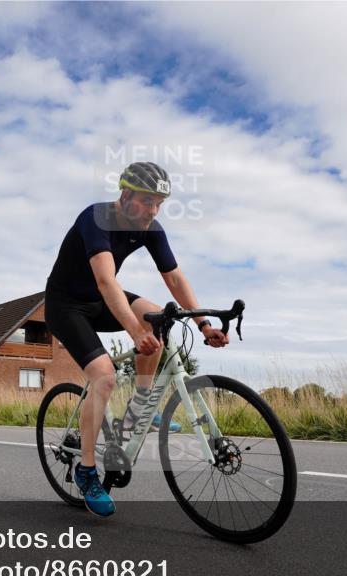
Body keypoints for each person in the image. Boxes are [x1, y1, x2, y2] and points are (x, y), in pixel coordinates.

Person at [44, 161, 229, 518]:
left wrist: (205, 326)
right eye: (147, 201)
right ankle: (85, 472)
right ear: (125, 195)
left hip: (100, 302)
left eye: (159, 203)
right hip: (66, 306)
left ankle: (141, 407)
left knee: (161, 318)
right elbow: (106, 281)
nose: (153, 210)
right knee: (104, 376)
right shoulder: (96, 217)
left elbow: (174, 278)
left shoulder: (150, 227)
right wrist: (134, 331)